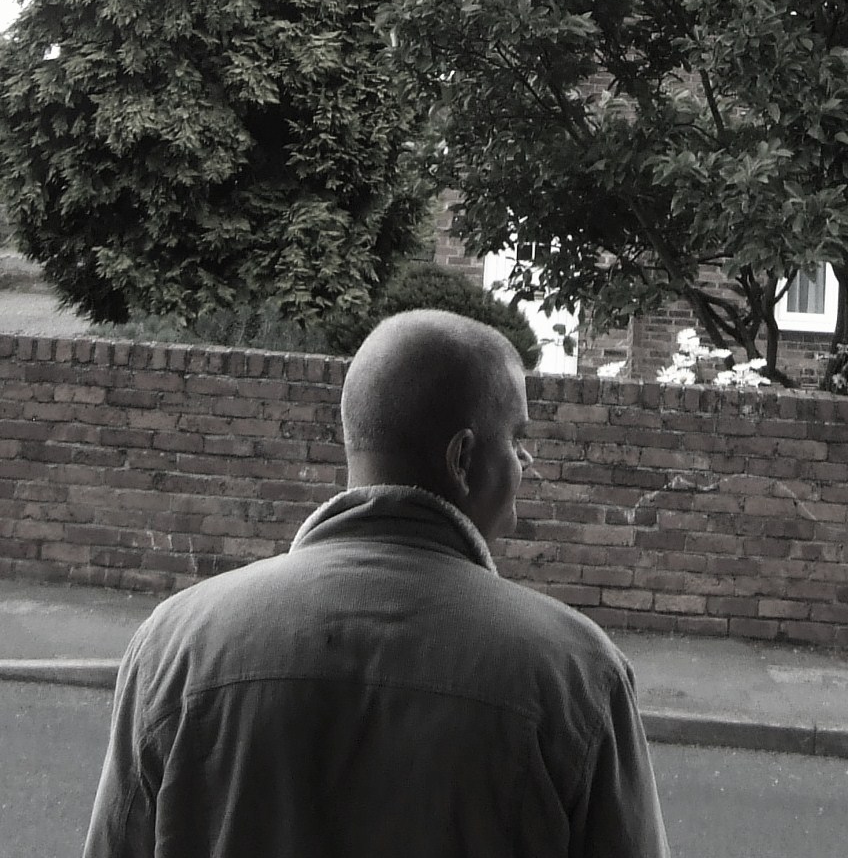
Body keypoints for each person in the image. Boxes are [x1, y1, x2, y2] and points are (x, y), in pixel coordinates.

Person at [83, 308, 670, 858]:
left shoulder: (175, 645)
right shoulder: (578, 676)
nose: (527, 463)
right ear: (462, 459)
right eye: (516, 439)